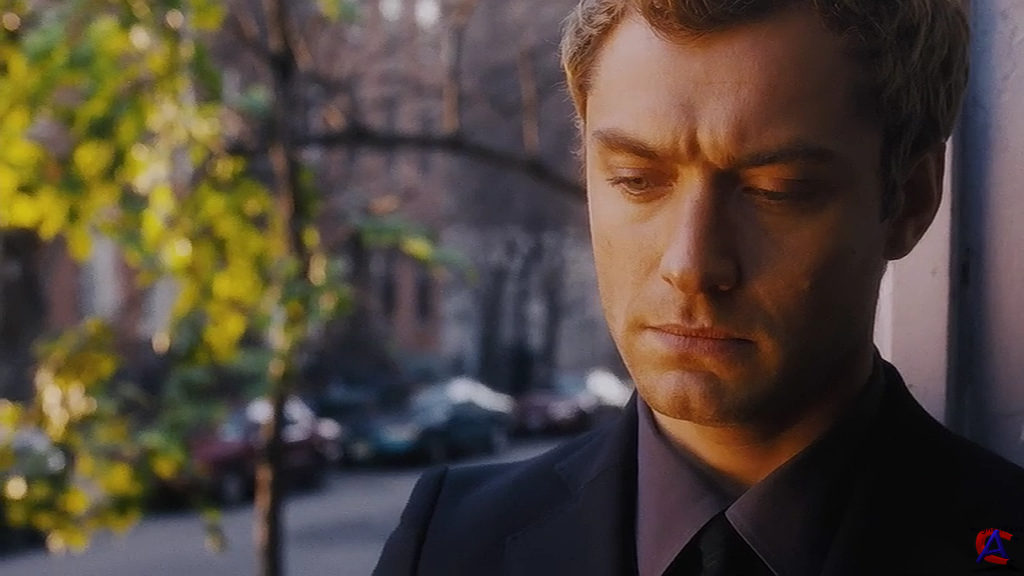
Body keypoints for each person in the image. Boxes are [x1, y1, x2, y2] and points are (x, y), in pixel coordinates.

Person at [374, 1, 1024, 574]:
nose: (689, 264)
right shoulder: (448, 545)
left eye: (776, 191)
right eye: (636, 179)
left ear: (910, 200)